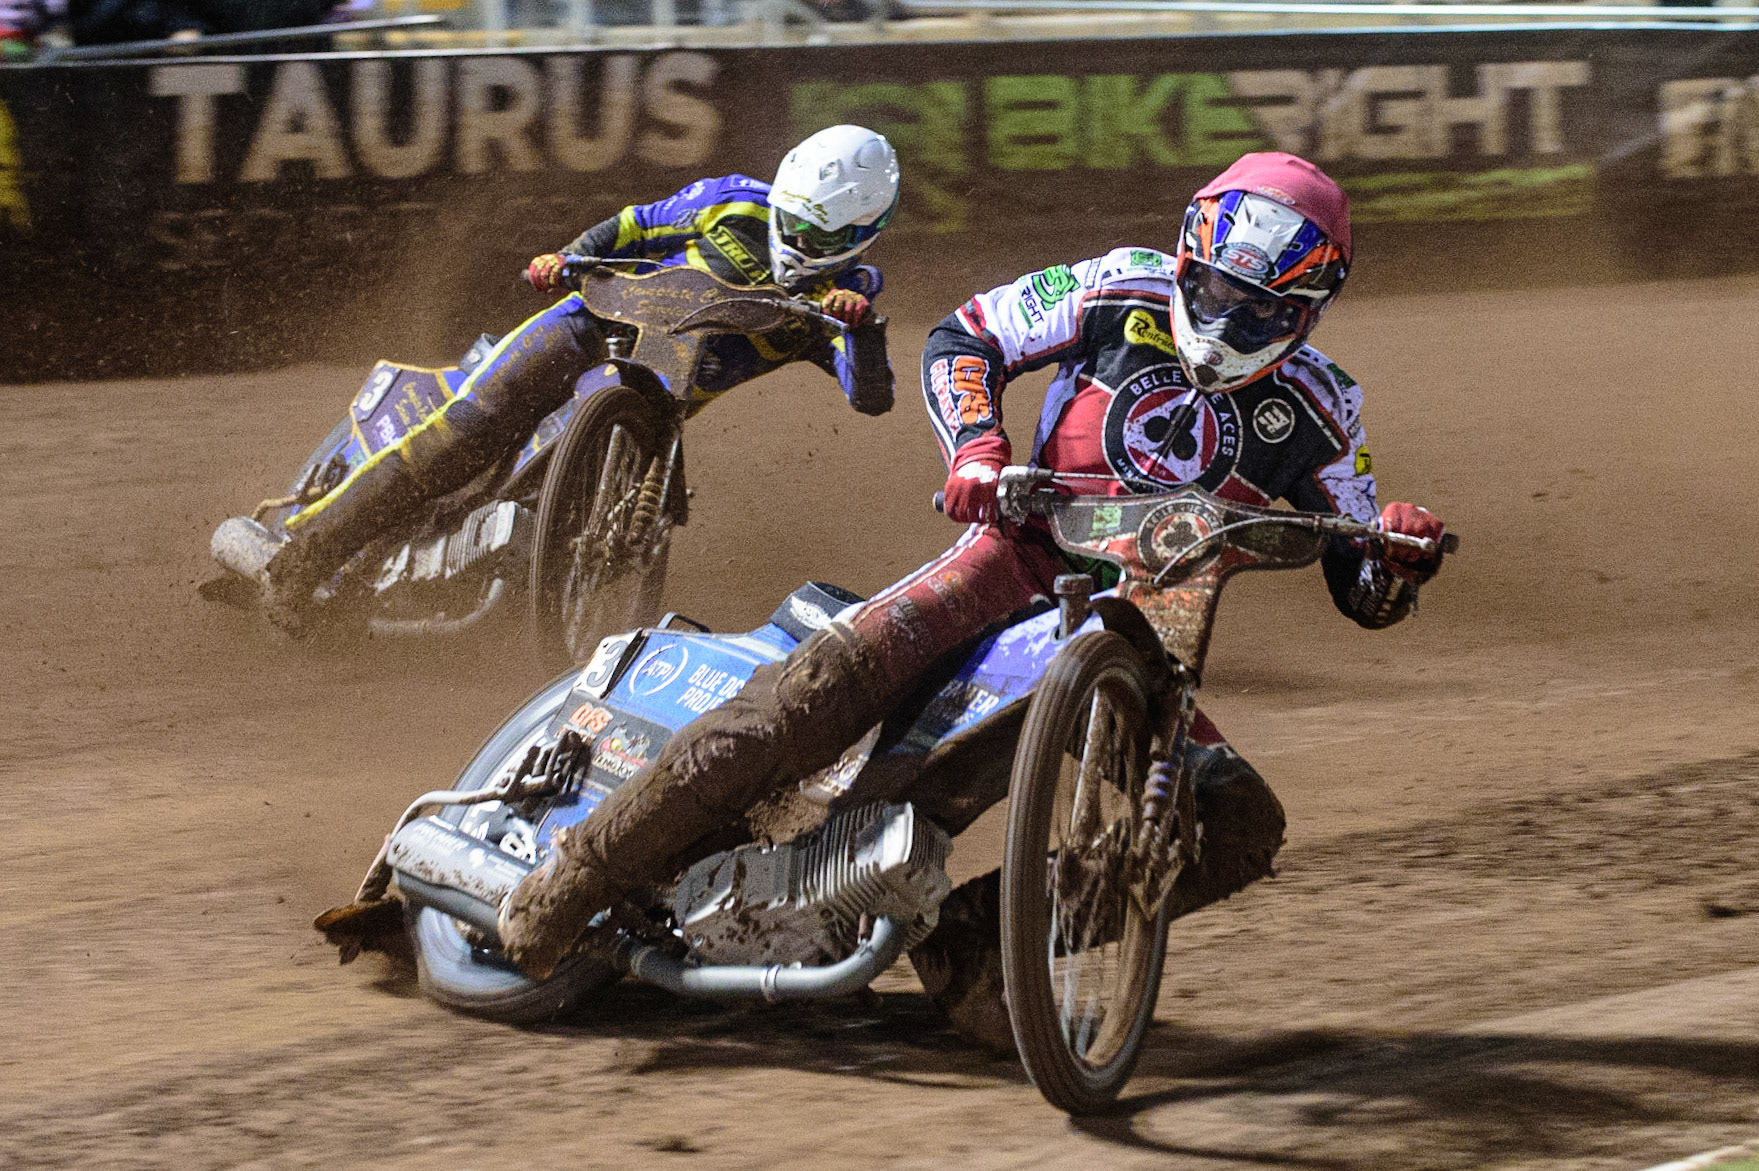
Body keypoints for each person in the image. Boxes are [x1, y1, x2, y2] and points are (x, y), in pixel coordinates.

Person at [493, 152, 1450, 1028]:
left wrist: (1397, 552)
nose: (1229, 321)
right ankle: (573, 879)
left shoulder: (1327, 405)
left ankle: (975, 942)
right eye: (1214, 289)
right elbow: (969, 334)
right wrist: (980, 450)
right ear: (1187, 255)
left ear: (1312, 307)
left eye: (1262, 312)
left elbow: (1363, 584)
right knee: (809, 700)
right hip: (1016, 556)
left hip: (1156, 630)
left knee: (1236, 823)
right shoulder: (1116, 285)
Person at [261, 124, 901, 632]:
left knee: (580, 521)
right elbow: (637, 226)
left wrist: (864, 332)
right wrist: (566, 257)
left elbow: (869, 398)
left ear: (861, 234)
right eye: (791, 219)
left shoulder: (848, 298)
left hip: (654, 409)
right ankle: (305, 557)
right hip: (585, 324)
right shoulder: (732, 201)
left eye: (816, 233)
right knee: (467, 431)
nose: (793, 236)